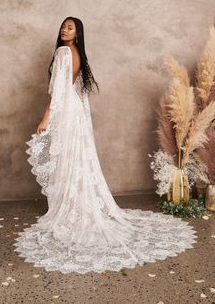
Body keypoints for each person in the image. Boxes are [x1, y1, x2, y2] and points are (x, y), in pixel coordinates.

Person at [13, 16, 197, 274]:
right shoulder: (78, 53)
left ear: (77, 34)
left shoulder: (64, 51)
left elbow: (58, 90)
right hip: (74, 111)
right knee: (73, 158)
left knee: (67, 157)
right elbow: (78, 93)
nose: (64, 30)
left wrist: (46, 117)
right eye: (63, 26)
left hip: (65, 111)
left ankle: (71, 207)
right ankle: (76, 204)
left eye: (70, 27)